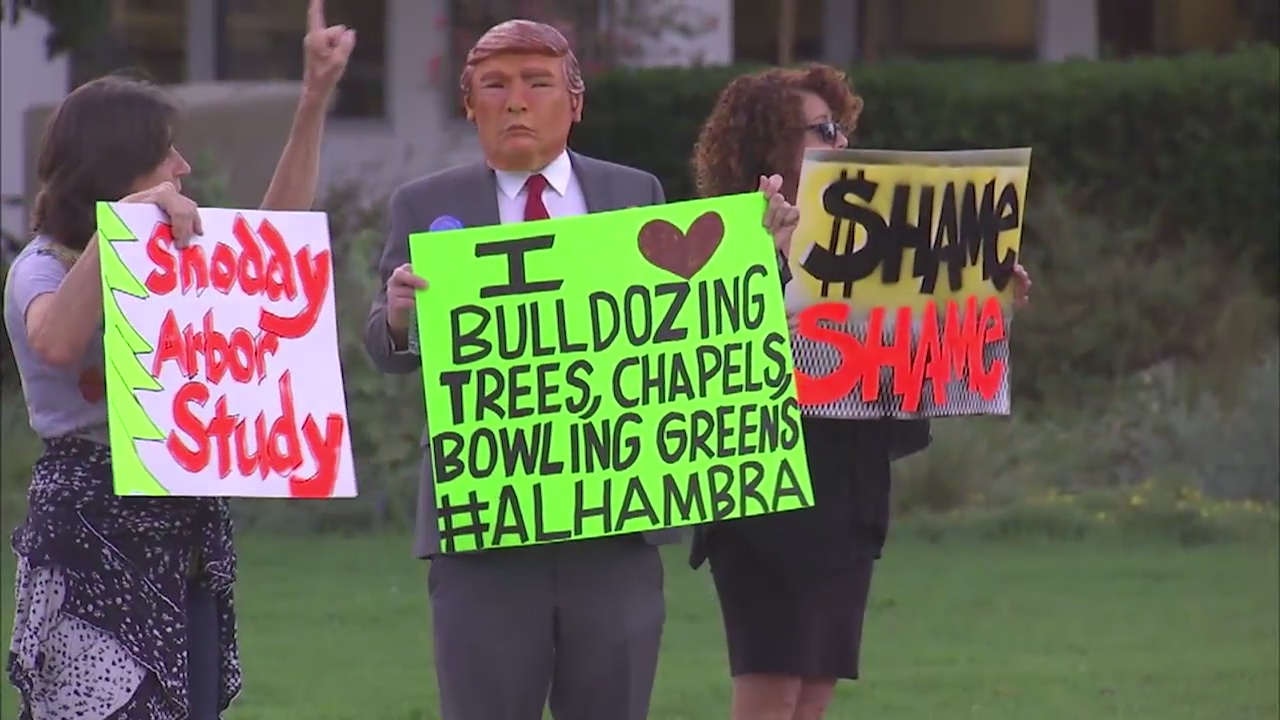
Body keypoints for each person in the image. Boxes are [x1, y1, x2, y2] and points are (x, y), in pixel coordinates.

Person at [362, 19, 798, 720]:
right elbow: (383, 346)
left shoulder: (633, 193)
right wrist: (398, 317)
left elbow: (691, 322)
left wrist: (765, 260)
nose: (515, 101)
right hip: (485, 527)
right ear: (469, 105)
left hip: (615, 521)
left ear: (575, 102)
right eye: (494, 86)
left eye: (536, 83)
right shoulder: (425, 204)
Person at [2, 3, 353, 718]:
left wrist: (314, 98)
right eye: (167, 153)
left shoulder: (169, 249)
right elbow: (55, 342)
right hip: (93, 528)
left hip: (183, 527)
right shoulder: (41, 266)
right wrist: (127, 223)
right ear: (119, 168)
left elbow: (275, 246)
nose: (183, 168)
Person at [687, 64, 1033, 720]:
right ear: (768, 144)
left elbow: (916, 365)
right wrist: (774, 259)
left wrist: (985, 301)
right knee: (772, 695)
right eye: (822, 131)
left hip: (850, 490)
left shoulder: (876, 238)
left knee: (812, 697)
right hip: (767, 498)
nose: (841, 143)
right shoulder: (721, 242)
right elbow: (708, 369)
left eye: (840, 128)